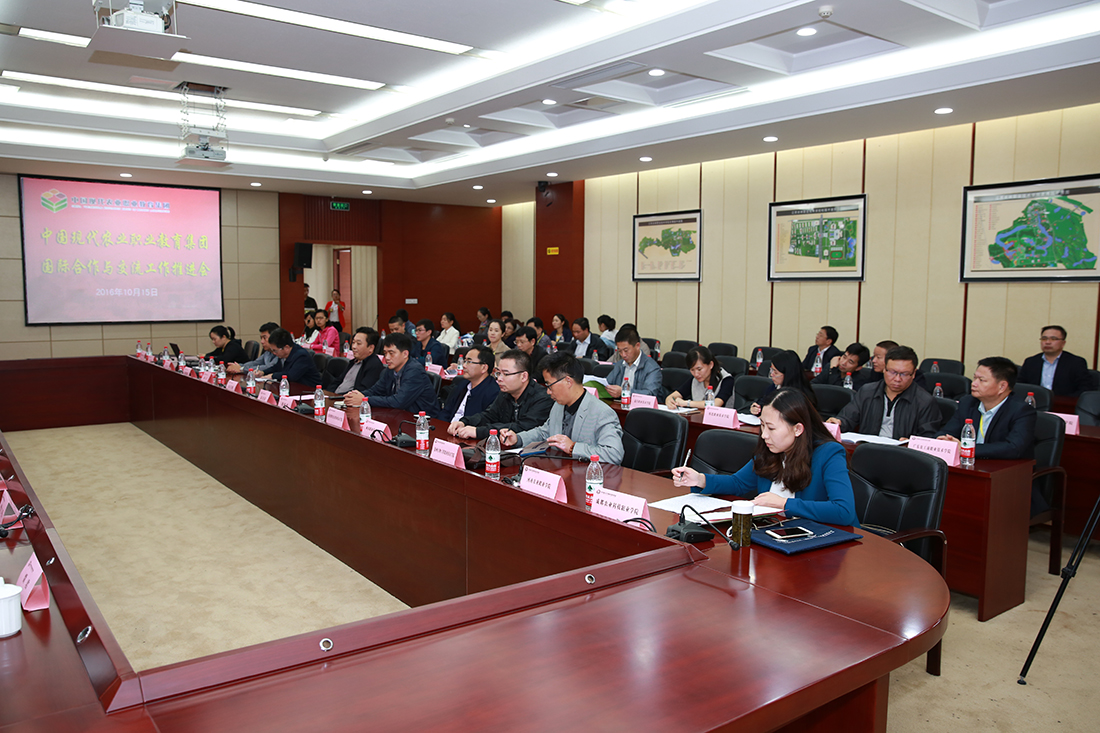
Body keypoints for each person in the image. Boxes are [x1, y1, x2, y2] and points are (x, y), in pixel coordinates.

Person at [671, 388, 858, 526]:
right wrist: (700, 479)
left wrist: (783, 504)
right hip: (780, 533)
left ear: (798, 429)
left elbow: (843, 511)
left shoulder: (829, 453)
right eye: (762, 425)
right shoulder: (771, 449)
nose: (764, 435)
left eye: (771, 428)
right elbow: (738, 483)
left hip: (828, 544)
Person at [499, 352, 624, 465]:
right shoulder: (558, 405)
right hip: (562, 470)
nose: (548, 391)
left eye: (550, 385)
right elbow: (545, 432)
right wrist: (518, 438)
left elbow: (614, 454)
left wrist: (573, 447)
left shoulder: (602, 413)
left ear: (568, 381)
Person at [828, 345, 941, 439]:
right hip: (867, 451)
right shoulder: (867, 391)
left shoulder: (925, 401)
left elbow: (928, 438)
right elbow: (847, 418)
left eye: (904, 374)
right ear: (884, 370)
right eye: (892, 372)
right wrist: (838, 423)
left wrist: (912, 443)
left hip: (904, 456)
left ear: (914, 374)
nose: (897, 379)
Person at [937, 356, 1036, 460]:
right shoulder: (968, 402)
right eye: (974, 378)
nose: (974, 384)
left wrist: (967, 448)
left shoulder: (1021, 411)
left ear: (1002, 387)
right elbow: (948, 432)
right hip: (970, 463)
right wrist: (943, 440)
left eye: (981, 380)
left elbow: (1013, 447)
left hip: (1006, 467)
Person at [450, 350, 554, 439]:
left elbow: (522, 427)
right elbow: (489, 415)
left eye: (506, 374)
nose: (499, 379)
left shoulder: (543, 398)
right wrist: (464, 422)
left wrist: (478, 432)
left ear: (523, 376)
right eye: (498, 373)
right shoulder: (505, 392)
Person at [362, 333, 439, 414]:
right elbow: (375, 390)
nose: (387, 357)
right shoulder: (390, 369)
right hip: (400, 414)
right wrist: (358, 395)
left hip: (422, 418)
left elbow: (398, 402)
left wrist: (366, 399)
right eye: (385, 353)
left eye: (391, 353)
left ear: (405, 354)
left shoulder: (415, 371)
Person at [1018, 325, 1092, 397]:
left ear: (1063, 343)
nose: (1047, 342)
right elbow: (1020, 386)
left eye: (1053, 339)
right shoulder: (1030, 362)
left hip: (1064, 403)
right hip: (1035, 402)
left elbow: (1085, 389)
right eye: (1044, 339)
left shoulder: (1076, 362)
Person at [438, 345, 499, 423]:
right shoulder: (462, 384)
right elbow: (446, 412)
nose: (464, 365)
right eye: (465, 361)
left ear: (484, 368)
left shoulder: (494, 393)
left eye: (469, 362)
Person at [750, 349, 816, 416]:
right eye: (771, 370)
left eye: (775, 372)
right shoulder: (773, 387)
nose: (771, 374)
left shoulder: (802, 397)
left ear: (788, 374)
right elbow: (761, 403)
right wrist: (755, 408)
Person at [666, 345, 734, 408]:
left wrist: (687, 403)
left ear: (711, 365)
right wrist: (669, 400)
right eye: (692, 370)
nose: (696, 374)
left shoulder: (727, 379)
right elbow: (674, 395)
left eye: (699, 369)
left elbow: (716, 404)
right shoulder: (695, 379)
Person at [604, 327, 662, 399]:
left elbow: (650, 394)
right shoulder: (620, 364)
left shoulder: (651, 367)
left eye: (626, 350)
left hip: (639, 405)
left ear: (637, 346)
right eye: (620, 351)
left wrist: (624, 392)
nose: (623, 355)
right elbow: (608, 384)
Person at [335, 329, 384, 403]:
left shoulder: (374, 365)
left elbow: (362, 391)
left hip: (348, 401)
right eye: (353, 342)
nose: (353, 347)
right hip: (336, 398)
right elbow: (338, 381)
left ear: (371, 348)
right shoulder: (353, 362)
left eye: (358, 343)